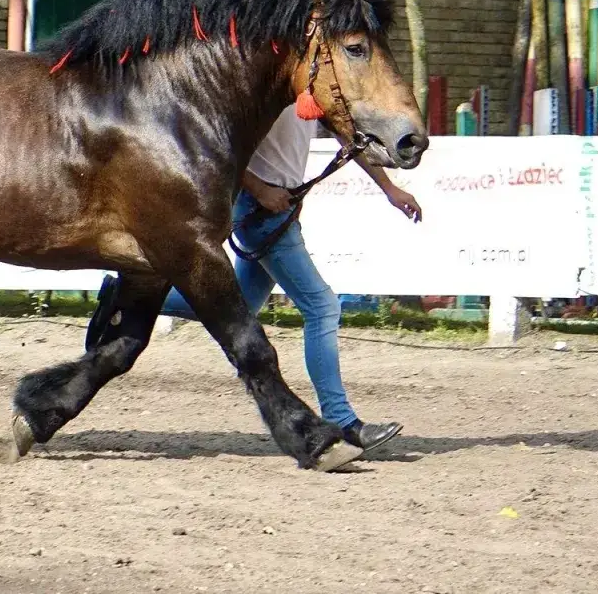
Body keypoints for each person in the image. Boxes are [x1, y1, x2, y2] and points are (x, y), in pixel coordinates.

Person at [87, 103, 423, 454]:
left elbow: (348, 139)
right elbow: (222, 147)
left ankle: (121, 297)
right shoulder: (271, 91)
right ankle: (343, 421)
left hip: (281, 207)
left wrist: (390, 189)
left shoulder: (313, 93)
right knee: (322, 307)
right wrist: (260, 190)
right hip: (261, 209)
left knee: (241, 304)